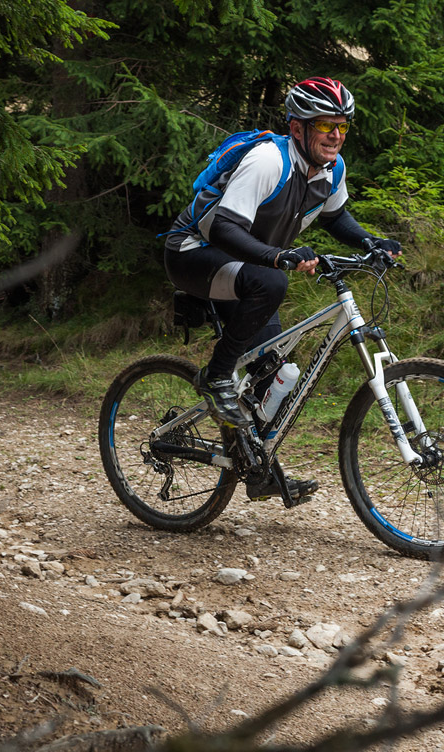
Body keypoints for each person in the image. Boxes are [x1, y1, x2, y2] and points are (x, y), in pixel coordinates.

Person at [163, 76, 401, 502]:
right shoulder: (268, 161)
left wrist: (371, 242)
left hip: (249, 267)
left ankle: (259, 472)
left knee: (274, 374)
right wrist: (278, 256)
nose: (335, 135)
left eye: (342, 126)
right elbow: (224, 227)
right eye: (325, 125)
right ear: (297, 128)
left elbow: (335, 217)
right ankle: (215, 376)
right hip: (193, 253)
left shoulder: (331, 170)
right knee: (272, 280)